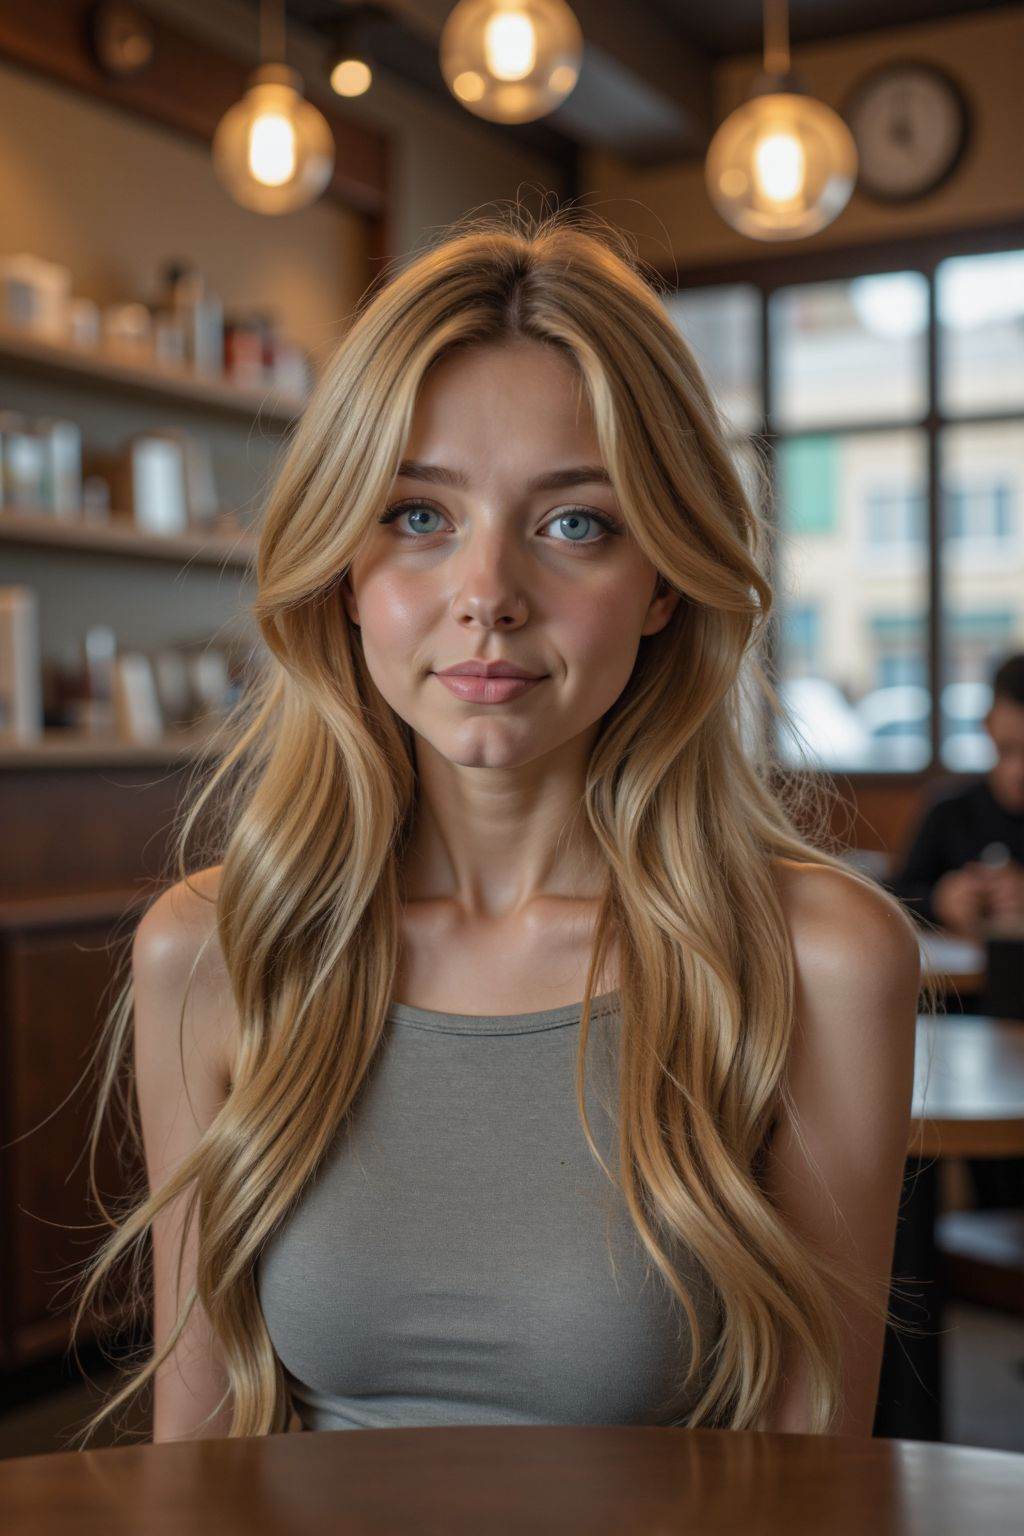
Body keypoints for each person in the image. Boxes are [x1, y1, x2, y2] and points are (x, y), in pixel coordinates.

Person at [65, 205, 935, 1450]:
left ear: (663, 586)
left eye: (574, 522)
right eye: (419, 516)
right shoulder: (210, 947)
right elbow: (197, 1453)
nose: (487, 598)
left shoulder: (818, 958)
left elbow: (812, 1477)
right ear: (344, 572)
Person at [885, 651, 1024, 1209]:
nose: (1019, 769)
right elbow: (894, 896)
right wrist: (941, 899)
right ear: (989, 726)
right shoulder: (952, 811)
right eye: (1010, 750)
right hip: (958, 1019)